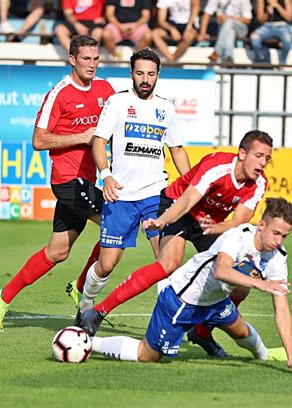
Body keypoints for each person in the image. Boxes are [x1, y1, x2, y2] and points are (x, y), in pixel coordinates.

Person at [79, 130, 273, 357]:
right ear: (242, 153)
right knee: (168, 264)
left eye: (267, 158)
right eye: (258, 156)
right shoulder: (218, 166)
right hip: (178, 207)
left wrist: (213, 229)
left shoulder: (259, 183)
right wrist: (161, 221)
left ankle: (202, 332)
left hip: (211, 224)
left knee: (241, 281)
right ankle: (98, 312)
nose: (263, 163)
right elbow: (188, 199)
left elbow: (238, 221)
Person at [89, 197, 292, 374]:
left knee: (241, 331)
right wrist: (261, 284)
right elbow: (220, 270)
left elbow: (282, 310)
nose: (279, 241)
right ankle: (89, 342)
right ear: (261, 225)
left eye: (284, 236)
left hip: (215, 301)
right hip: (183, 298)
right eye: (276, 233)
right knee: (148, 355)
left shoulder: (278, 256)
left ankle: (264, 356)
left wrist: (291, 358)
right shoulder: (238, 237)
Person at [0, 35, 115, 332]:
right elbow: (38, 140)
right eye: (86, 59)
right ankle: (82, 287)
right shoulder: (59, 94)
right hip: (68, 181)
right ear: (72, 59)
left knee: (57, 251)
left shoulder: (105, 89)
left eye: (96, 59)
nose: (92, 65)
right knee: (116, 227)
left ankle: (2, 297)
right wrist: (81, 137)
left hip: (87, 180)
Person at [68, 48, 191, 323]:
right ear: (131, 74)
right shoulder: (117, 103)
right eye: (139, 73)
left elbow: (178, 151)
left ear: (158, 75)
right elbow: (99, 142)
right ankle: (86, 303)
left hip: (155, 195)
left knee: (166, 262)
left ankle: (168, 321)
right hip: (120, 196)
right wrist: (106, 174)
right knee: (106, 264)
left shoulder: (166, 109)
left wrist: (193, 188)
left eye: (150, 74)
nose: (145, 79)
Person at [250, 0, 292, 65]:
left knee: (287, 39)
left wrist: (277, 6)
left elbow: (289, 17)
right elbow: (260, 19)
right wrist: (268, 13)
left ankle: (282, 62)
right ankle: (265, 57)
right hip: (267, 25)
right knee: (254, 37)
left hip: (282, 25)